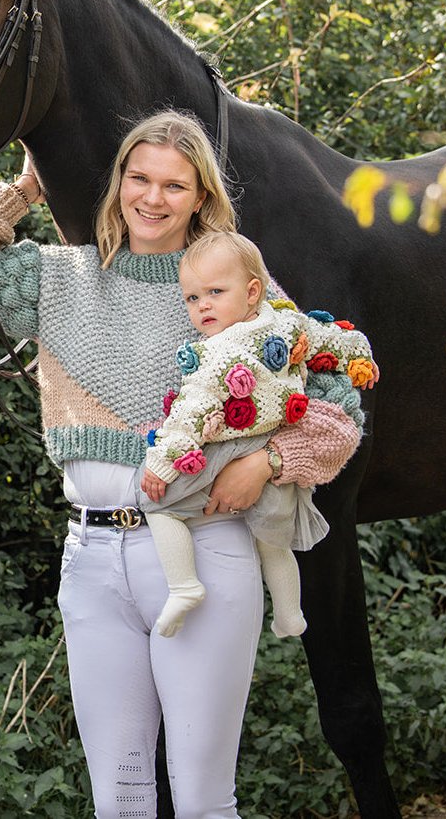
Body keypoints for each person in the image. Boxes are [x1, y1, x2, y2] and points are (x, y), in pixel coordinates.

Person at [0, 111, 371, 819]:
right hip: (91, 558)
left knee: (200, 799)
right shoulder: (60, 276)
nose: (153, 198)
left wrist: (274, 458)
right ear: (117, 182)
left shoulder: (232, 289)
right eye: (139, 178)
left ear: (200, 197)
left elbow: (341, 397)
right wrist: (22, 192)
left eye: (174, 185)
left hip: (205, 552)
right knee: (119, 801)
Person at [139, 231, 376, 639]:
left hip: (235, 449)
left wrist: (160, 464)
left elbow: (190, 414)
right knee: (273, 542)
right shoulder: (287, 323)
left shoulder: (216, 353)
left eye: (215, 291)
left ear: (252, 291)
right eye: (193, 298)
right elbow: (331, 338)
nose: (203, 306)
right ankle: (289, 614)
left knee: (157, 506)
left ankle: (184, 586)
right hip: (274, 442)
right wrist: (360, 356)